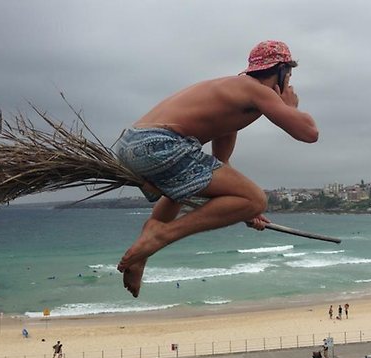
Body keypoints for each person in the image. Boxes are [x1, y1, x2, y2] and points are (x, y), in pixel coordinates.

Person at [114, 40, 318, 297]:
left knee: (188, 187)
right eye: (289, 72)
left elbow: (220, 166)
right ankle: (161, 234)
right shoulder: (256, 91)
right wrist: (290, 108)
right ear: (282, 70)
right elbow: (309, 133)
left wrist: (240, 211)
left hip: (131, 143)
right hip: (158, 144)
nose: (289, 79)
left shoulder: (236, 95)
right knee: (257, 198)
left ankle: (143, 251)